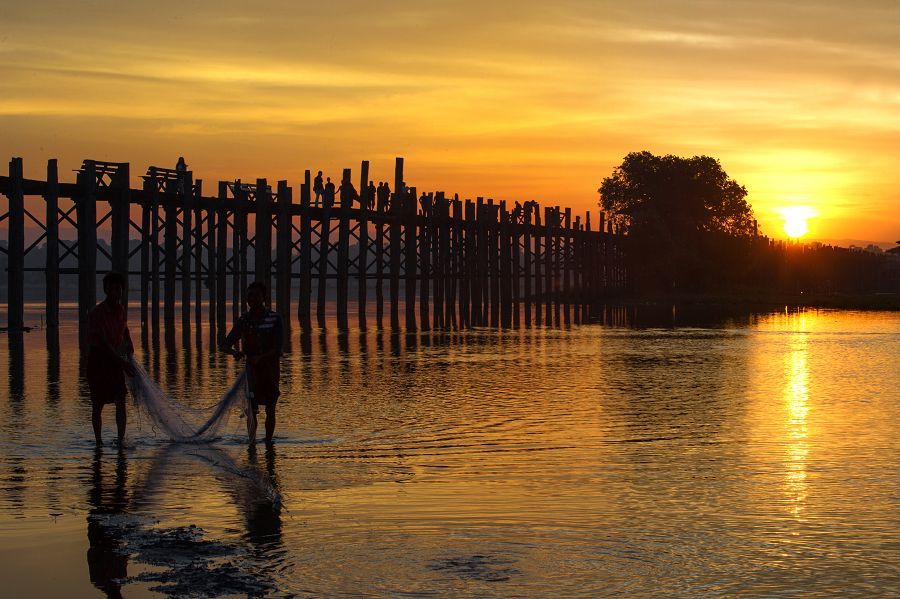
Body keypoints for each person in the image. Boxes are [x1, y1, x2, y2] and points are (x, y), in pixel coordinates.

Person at [220, 282, 284, 444]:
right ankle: (252, 444)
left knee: (270, 408)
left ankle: (269, 443)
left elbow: (278, 348)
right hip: (251, 370)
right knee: (251, 409)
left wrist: (261, 357)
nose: (251, 299)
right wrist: (235, 352)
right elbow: (225, 345)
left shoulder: (275, 318)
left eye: (255, 296)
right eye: (249, 296)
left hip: (270, 370)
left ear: (264, 298)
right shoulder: (244, 320)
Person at [87, 271, 136, 446]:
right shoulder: (97, 313)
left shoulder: (120, 310)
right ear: (107, 290)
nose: (118, 292)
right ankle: (99, 441)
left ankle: (120, 440)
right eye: (114, 289)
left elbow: (124, 328)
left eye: (120, 289)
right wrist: (122, 362)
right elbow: (104, 343)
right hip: (99, 360)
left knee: (120, 400)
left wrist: (129, 342)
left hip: (114, 360)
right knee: (98, 403)